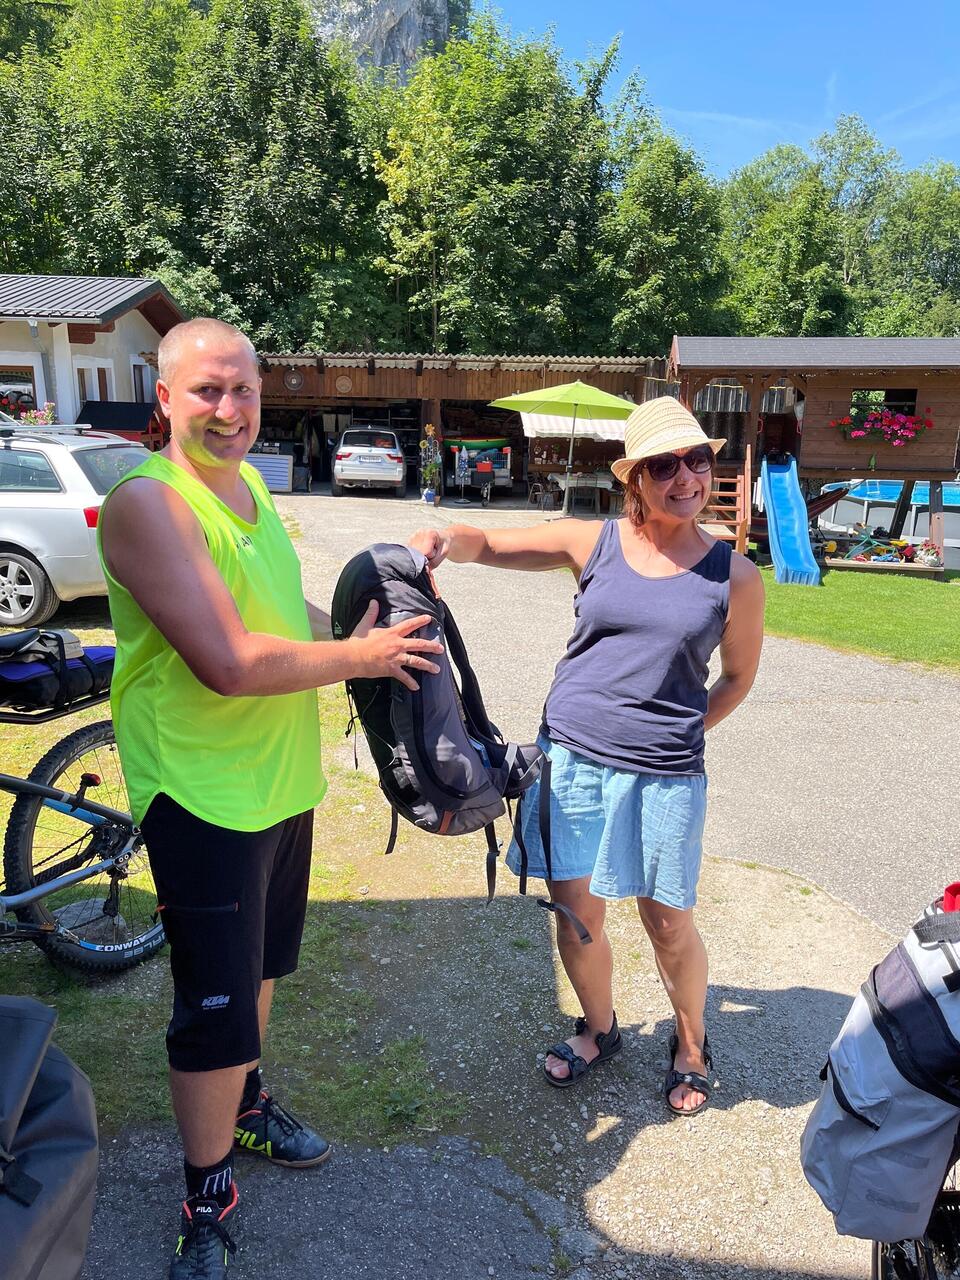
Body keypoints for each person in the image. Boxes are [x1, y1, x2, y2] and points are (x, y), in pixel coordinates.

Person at [98, 317, 442, 1279]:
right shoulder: (149, 504)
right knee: (213, 1009)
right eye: (207, 390)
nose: (229, 409)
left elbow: (277, 619)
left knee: (258, 972)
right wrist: (361, 658)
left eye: (243, 390)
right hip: (202, 793)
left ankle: (245, 1107)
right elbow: (228, 662)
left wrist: (359, 630)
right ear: (165, 397)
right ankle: (204, 1195)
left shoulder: (247, 488)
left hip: (282, 784)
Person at [410, 397, 764, 1115]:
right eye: (663, 465)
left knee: (668, 922)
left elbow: (736, 678)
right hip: (570, 761)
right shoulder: (592, 542)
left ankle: (692, 1045)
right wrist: (442, 537)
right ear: (634, 477)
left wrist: (682, 731)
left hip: (665, 775)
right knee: (576, 915)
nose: (686, 478)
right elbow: (492, 543)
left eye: (697, 460)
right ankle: (600, 1028)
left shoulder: (734, 575)